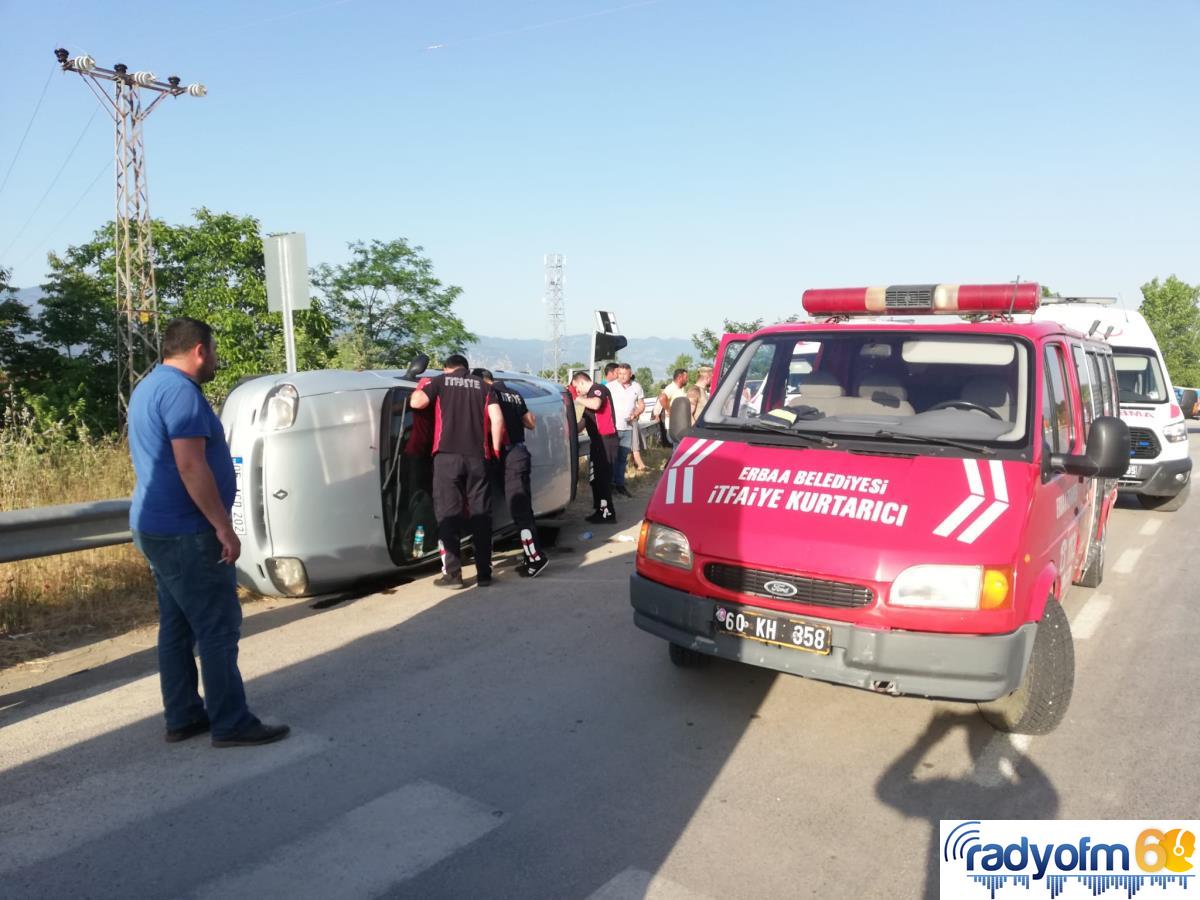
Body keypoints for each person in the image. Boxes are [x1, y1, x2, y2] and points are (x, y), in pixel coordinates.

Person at [128, 317, 289, 748]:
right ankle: (231, 722)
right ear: (200, 349)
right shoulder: (181, 393)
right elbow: (190, 465)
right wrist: (223, 526)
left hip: (156, 525)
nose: (216, 358)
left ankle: (183, 715)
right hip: (187, 531)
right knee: (217, 626)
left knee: (177, 625)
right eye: (213, 350)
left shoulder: (148, 386)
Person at [411, 355, 504, 589]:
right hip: (478, 458)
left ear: (446, 368)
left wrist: (419, 387)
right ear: (467, 368)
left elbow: (417, 403)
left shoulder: (440, 381)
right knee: (481, 514)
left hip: (447, 456)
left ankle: (453, 574)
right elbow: (497, 418)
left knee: (448, 514)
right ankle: (484, 573)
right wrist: (494, 450)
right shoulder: (483, 386)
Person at [474, 369, 549, 578]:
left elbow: (492, 422)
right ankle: (530, 555)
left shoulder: (490, 394)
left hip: (506, 455)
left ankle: (535, 558)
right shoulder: (514, 393)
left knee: (519, 509)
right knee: (524, 507)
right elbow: (530, 423)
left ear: (482, 381)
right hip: (521, 452)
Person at [572, 370, 618, 524]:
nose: (577, 391)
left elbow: (597, 404)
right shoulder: (589, 399)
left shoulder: (598, 389)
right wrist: (568, 430)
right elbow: (583, 423)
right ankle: (599, 509)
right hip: (597, 441)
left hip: (606, 440)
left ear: (582, 382)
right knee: (595, 478)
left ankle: (608, 512)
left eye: (577, 387)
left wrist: (577, 398)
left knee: (603, 477)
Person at [608, 363, 645, 497]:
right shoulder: (610, 387)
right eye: (620, 373)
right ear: (617, 373)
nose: (622, 376)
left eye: (625, 374)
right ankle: (610, 484)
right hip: (613, 427)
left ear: (630, 374)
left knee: (623, 457)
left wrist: (636, 413)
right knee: (612, 457)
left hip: (628, 427)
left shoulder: (637, 387)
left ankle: (620, 484)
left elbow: (641, 405)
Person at [653, 368, 689, 444]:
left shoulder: (680, 389)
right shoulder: (672, 388)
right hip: (673, 426)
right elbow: (662, 398)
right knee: (677, 448)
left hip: (679, 425)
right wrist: (669, 410)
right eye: (686, 378)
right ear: (680, 377)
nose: (687, 380)